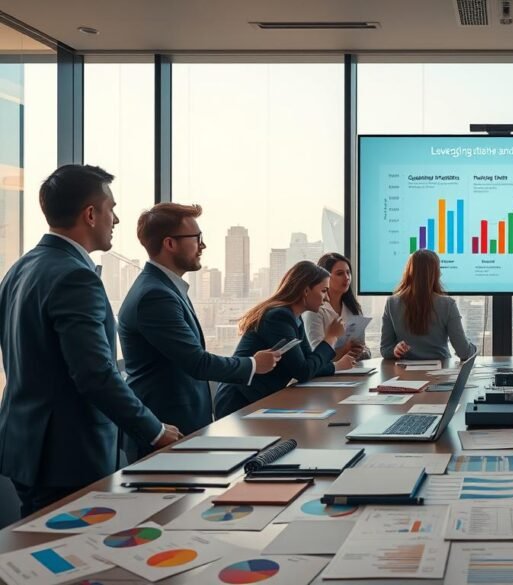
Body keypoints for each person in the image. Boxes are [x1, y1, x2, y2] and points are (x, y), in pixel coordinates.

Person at [0, 165, 182, 517]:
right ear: (90, 214)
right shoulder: (75, 276)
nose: (115, 219)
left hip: (24, 447)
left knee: (40, 552)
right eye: (111, 208)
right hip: (68, 455)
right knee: (69, 558)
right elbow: (95, 374)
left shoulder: (20, 269)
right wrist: (154, 430)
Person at [118, 203, 280, 460]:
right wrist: (252, 364)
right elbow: (196, 362)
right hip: (165, 428)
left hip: (180, 425)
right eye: (197, 238)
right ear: (170, 243)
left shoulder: (166, 288)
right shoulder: (155, 295)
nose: (202, 246)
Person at [214, 261, 344, 418]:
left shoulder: (295, 318)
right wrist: (331, 337)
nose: (327, 299)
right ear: (306, 290)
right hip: (239, 402)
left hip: (257, 399)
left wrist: (335, 366)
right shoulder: (278, 317)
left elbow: (307, 362)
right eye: (324, 291)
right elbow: (303, 371)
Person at [380, 250, 476, 361]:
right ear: (435, 274)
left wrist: (394, 350)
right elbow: (464, 352)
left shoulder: (391, 303)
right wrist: (474, 348)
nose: (441, 273)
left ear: (409, 271)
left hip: (403, 375)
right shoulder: (448, 305)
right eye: (439, 269)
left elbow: (385, 349)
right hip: (440, 373)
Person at [302, 252, 368, 363]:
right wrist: (344, 350)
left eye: (348, 273)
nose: (346, 278)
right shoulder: (314, 310)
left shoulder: (353, 308)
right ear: (325, 277)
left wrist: (362, 351)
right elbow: (316, 356)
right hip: (327, 375)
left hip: (353, 369)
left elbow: (363, 346)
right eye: (340, 273)